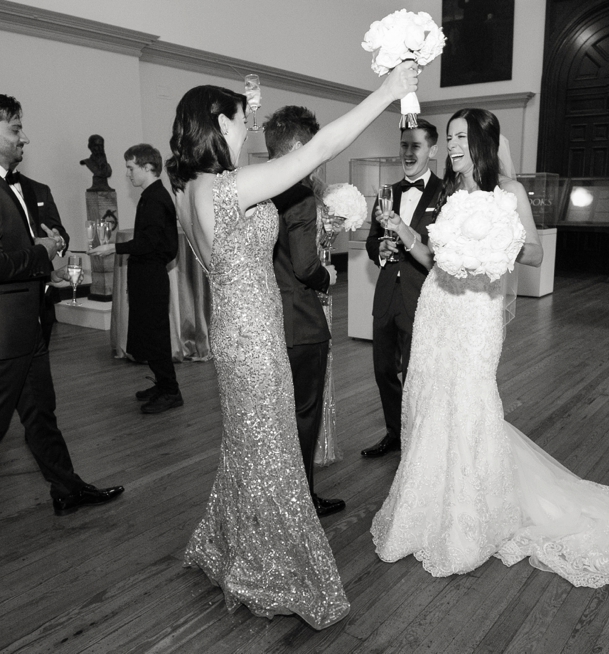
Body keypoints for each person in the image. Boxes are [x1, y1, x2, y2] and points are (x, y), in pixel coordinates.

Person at [370, 108, 609, 585]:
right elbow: (434, 258)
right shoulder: (451, 193)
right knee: (430, 400)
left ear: (480, 142)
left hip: (476, 314)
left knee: (470, 401)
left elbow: (535, 254)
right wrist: (403, 231)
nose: (453, 145)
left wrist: (498, 246)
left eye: (460, 137)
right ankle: (428, 507)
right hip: (438, 306)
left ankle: (473, 514)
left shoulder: (510, 193)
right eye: (451, 138)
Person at [166, 63, 418, 629]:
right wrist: (385, 92)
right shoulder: (228, 189)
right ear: (215, 125)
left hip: (232, 324)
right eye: (237, 125)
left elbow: (219, 165)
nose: (244, 133)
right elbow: (320, 147)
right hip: (256, 334)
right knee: (274, 449)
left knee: (249, 443)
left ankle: (236, 547)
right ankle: (274, 568)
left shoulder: (182, 185)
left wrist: (245, 108)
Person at [0, 94, 124, 568]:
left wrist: (40, 258)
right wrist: (41, 251)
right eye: (15, 128)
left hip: (25, 329)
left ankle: (66, 489)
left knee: (41, 414)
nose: (23, 136)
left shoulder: (3, 186)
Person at [263, 105, 345, 518]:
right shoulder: (299, 194)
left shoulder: (257, 187)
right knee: (304, 416)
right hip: (301, 320)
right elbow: (305, 266)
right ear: (298, 147)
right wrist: (327, 276)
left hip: (266, 317)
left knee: (275, 418)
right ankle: (302, 502)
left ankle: (278, 498)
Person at [360, 119, 444, 458]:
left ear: (432, 150)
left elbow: (441, 253)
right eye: (404, 146)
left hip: (421, 295)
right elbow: (369, 241)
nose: (408, 153)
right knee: (383, 370)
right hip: (386, 295)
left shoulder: (445, 193)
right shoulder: (387, 192)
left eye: (416, 146)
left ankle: (416, 439)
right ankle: (394, 432)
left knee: (414, 373)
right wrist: (378, 250)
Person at [90, 144, 182, 414]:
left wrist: (113, 247)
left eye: (131, 168)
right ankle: (163, 384)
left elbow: (150, 242)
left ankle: (171, 391)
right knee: (149, 332)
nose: (128, 173)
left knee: (155, 335)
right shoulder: (151, 195)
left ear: (148, 167)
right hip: (147, 275)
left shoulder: (155, 198)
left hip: (151, 276)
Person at [15, 173, 69, 346]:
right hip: (7, 291)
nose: (23, 144)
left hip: (43, 284)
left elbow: (58, 229)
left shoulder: (40, 189)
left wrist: (58, 241)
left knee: (42, 349)